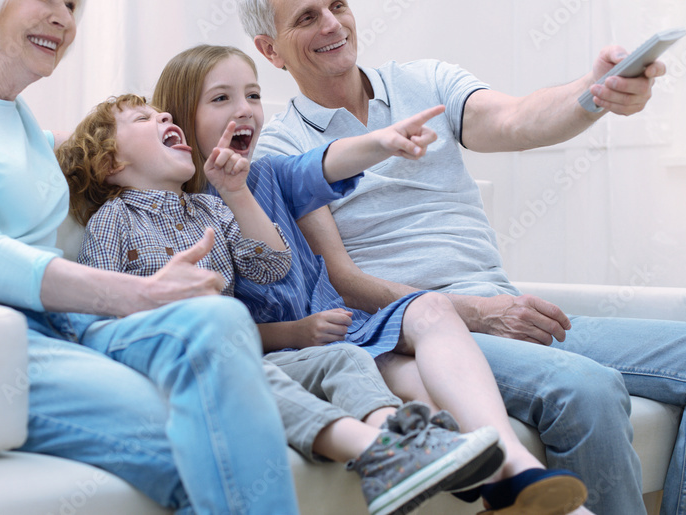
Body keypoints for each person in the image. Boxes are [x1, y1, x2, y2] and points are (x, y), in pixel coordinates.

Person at [238, 0, 686, 515]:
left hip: (506, 306)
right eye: (305, 18)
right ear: (270, 50)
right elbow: (343, 283)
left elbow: (518, 118)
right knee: (585, 388)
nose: (331, 24)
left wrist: (595, 93)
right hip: (420, 333)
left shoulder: (426, 82)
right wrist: (477, 312)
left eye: (338, 5)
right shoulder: (281, 151)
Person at [0, 0, 300, 515]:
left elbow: (117, 143)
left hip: (57, 326)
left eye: (71, 4)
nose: (62, 18)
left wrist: (210, 136)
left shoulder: (20, 120)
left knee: (216, 318)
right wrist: (141, 293)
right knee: (199, 445)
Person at [153, 44, 591, 515]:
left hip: (353, 332)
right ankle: (499, 482)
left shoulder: (271, 174)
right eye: (221, 99)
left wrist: (381, 142)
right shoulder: (179, 215)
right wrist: (294, 332)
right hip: (297, 353)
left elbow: (325, 162)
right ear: (180, 117)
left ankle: (515, 468)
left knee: (432, 309)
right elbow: (210, 326)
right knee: (419, 389)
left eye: (254, 96)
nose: (245, 110)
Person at [51, 92, 508, 515]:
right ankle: (382, 454)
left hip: (243, 352)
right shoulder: (113, 220)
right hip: (181, 367)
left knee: (343, 356)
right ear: (111, 161)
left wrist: (235, 191)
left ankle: (404, 439)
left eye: (161, 113)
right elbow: (100, 312)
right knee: (258, 376)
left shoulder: (209, 210)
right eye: (143, 118)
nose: (163, 117)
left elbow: (271, 266)